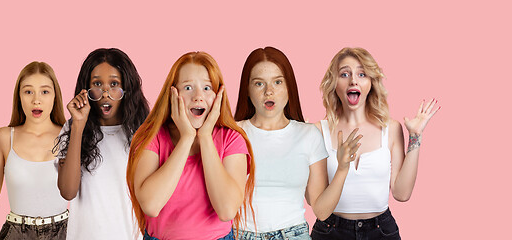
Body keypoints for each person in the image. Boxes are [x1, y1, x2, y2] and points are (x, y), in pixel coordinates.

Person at [310, 47, 440, 240]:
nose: (353, 80)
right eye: (344, 74)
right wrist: (342, 168)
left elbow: (402, 193)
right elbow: (319, 208)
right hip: (331, 230)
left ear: (371, 82)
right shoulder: (317, 132)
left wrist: (415, 136)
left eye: (362, 74)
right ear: (334, 83)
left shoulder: (391, 129)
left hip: (381, 231)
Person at [234, 47, 360, 240]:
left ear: (289, 88)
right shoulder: (234, 134)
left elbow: (321, 210)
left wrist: (342, 168)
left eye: (277, 82)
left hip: (293, 235)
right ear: (248, 91)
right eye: (259, 84)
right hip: (240, 235)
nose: (269, 91)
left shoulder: (309, 135)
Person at [127, 51, 255, 240]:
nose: (198, 96)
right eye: (188, 87)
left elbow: (227, 210)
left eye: (207, 88)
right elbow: (151, 205)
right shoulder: (151, 137)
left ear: (219, 95)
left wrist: (204, 136)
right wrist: (187, 138)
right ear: (172, 93)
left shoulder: (232, 140)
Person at [0, 61, 68, 239]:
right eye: (28, 91)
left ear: (55, 96)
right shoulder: (3, 137)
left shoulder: (70, 136)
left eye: (45, 91)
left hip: (64, 233)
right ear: (19, 96)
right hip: (17, 233)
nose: (36, 99)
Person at [54, 48, 150, 239]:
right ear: (86, 89)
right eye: (97, 83)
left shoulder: (143, 133)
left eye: (114, 84)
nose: (106, 93)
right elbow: (67, 191)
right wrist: (78, 126)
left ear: (127, 88)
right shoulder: (73, 128)